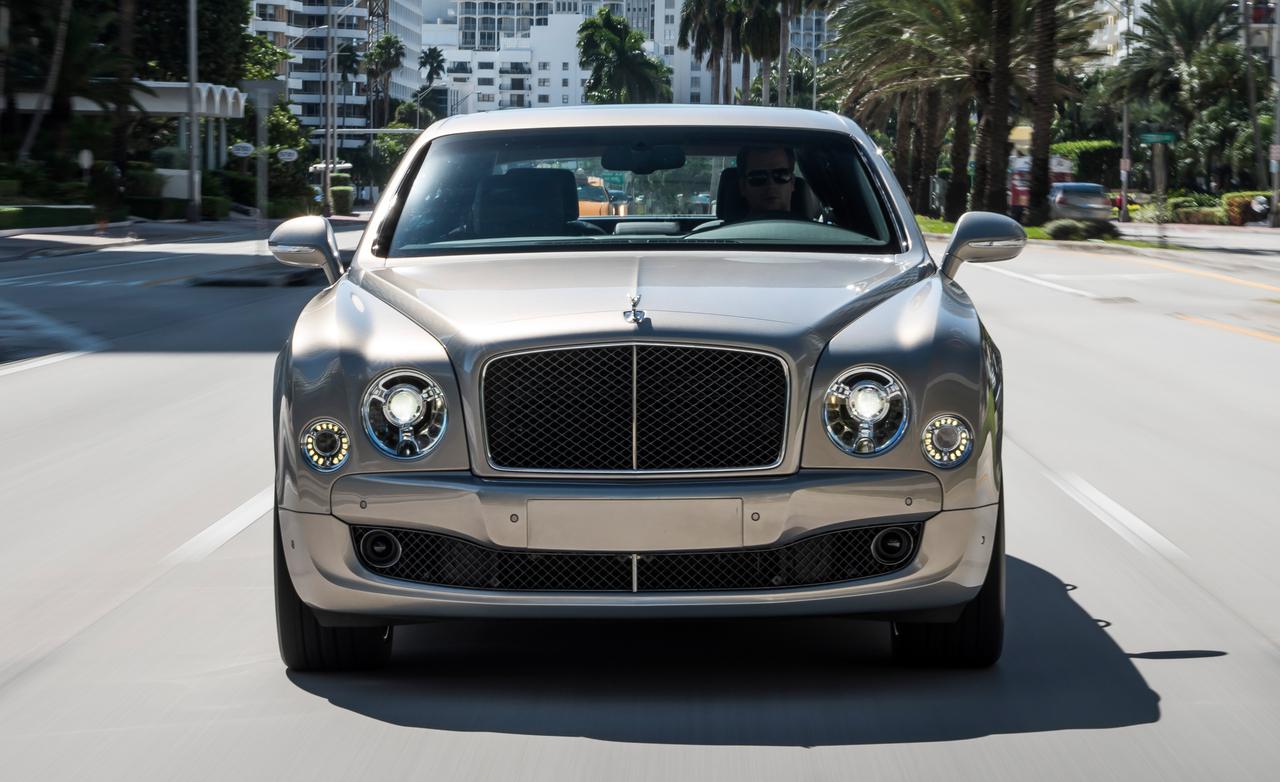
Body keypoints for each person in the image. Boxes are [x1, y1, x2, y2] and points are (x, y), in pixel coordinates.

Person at [736, 145, 796, 216]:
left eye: (780, 175)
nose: (771, 185)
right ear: (743, 186)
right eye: (758, 177)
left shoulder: (808, 223)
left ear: (792, 182)